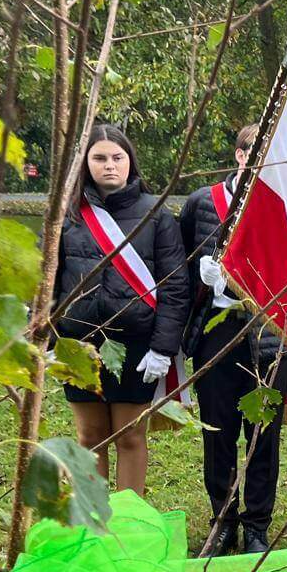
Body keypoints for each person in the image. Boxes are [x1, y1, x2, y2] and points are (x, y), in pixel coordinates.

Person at [54, 123, 189, 495]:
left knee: (129, 437)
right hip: (79, 344)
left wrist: (163, 348)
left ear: (131, 162)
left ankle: (128, 526)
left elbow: (175, 285)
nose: (109, 165)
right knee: (90, 437)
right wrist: (49, 337)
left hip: (136, 344)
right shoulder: (68, 214)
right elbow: (47, 280)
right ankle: (92, 524)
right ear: (86, 163)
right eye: (99, 158)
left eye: (118, 157)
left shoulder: (157, 214)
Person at [180, 122, 287, 556]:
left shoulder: (285, 206)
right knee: (219, 431)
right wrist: (202, 277)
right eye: (252, 152)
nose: (258, 160)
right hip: (216, 331)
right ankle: (222, 521)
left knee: (264, 434)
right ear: (239, 155)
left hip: (268, 333)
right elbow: (179, 268)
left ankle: (258, 525)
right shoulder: (201, 203)